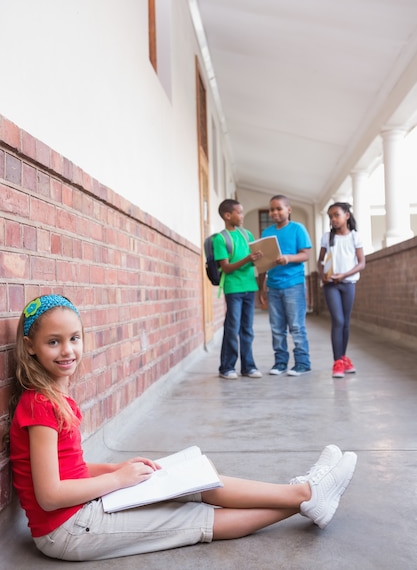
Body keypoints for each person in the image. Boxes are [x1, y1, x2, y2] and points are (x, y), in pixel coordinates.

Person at [7, 294, 357, 561]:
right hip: (68, 530)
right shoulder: (39, 404)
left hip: (82, 510)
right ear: (31, 347)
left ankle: (305, 493)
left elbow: (71, 469)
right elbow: (49, 495)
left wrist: (117, 468)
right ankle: (308, 496)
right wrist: (115, 480)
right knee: (191, 517)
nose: (67, 350)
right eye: (54, 342)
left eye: (74, 338)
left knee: (193, 480)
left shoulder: (55, 396)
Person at [258, 195, 312, 376]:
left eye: (279, 208)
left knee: (296, 326)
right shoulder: (267, 233)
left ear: (289, 210)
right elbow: (263, 263)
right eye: (272, 209)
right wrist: (261, 287)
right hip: (273, 285)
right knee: (276, 327)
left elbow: (305, 254)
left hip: (293, 285)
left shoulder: (298, 229)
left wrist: (288, 258)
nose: (275, 212)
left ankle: (302, 363)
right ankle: (280, 363)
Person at [213, 199, 263, 379]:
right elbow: (225, 267)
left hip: (250, 286)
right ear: (228, 215)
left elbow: (253, 259)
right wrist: (248, 259)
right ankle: (226, 367)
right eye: (239, 213)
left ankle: (248, 366)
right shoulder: (221, 239)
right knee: (232, 328)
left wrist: (260, 257)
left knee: (247, 329)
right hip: (233, 288)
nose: (242, 216)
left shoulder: (247, 234)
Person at [317, 202, 366, 378]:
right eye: (330, 216)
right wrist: (323, 274)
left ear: (346, 215)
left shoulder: (355, 237)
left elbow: (361, 263)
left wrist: (344, 275)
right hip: (331, 285)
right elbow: (320, 260)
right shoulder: (327, 237)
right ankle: (337, 362)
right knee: (337, 320)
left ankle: (344, 358)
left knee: (345, 322)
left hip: (348, 284)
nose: (333, 219)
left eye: (336, 215)